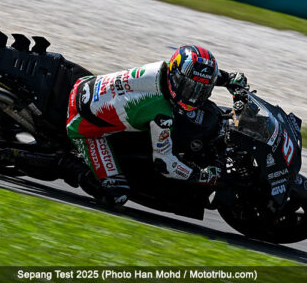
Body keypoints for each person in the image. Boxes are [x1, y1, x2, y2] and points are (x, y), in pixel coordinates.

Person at [64, 45, 247, 205]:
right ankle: (68, 164)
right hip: (83, 126)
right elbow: (165, 164)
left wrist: (229, 78)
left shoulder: (162, 69)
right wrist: (203, 175)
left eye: (201, 90)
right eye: (190, 88)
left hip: (87, 86)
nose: (194, 96)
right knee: (117, 194)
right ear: (177, 77)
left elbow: (198, 75)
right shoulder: (161, 113)